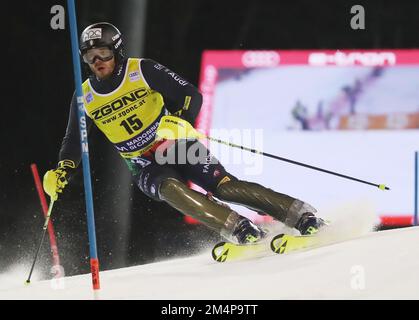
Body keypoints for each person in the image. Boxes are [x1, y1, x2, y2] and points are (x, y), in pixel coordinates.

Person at [43, 22, 326, 245]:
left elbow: (191, 94)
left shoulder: (141, 69)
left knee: (225, 187)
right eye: (89, 56)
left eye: (103, 53)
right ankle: (240, 229)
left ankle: (301, 216)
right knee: (171, 191)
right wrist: (63, 170)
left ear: (116, 51)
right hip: (142, 163)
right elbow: (73, 140)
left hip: (175, 143)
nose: (97, 61)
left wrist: (181, 120)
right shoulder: (85, 96)